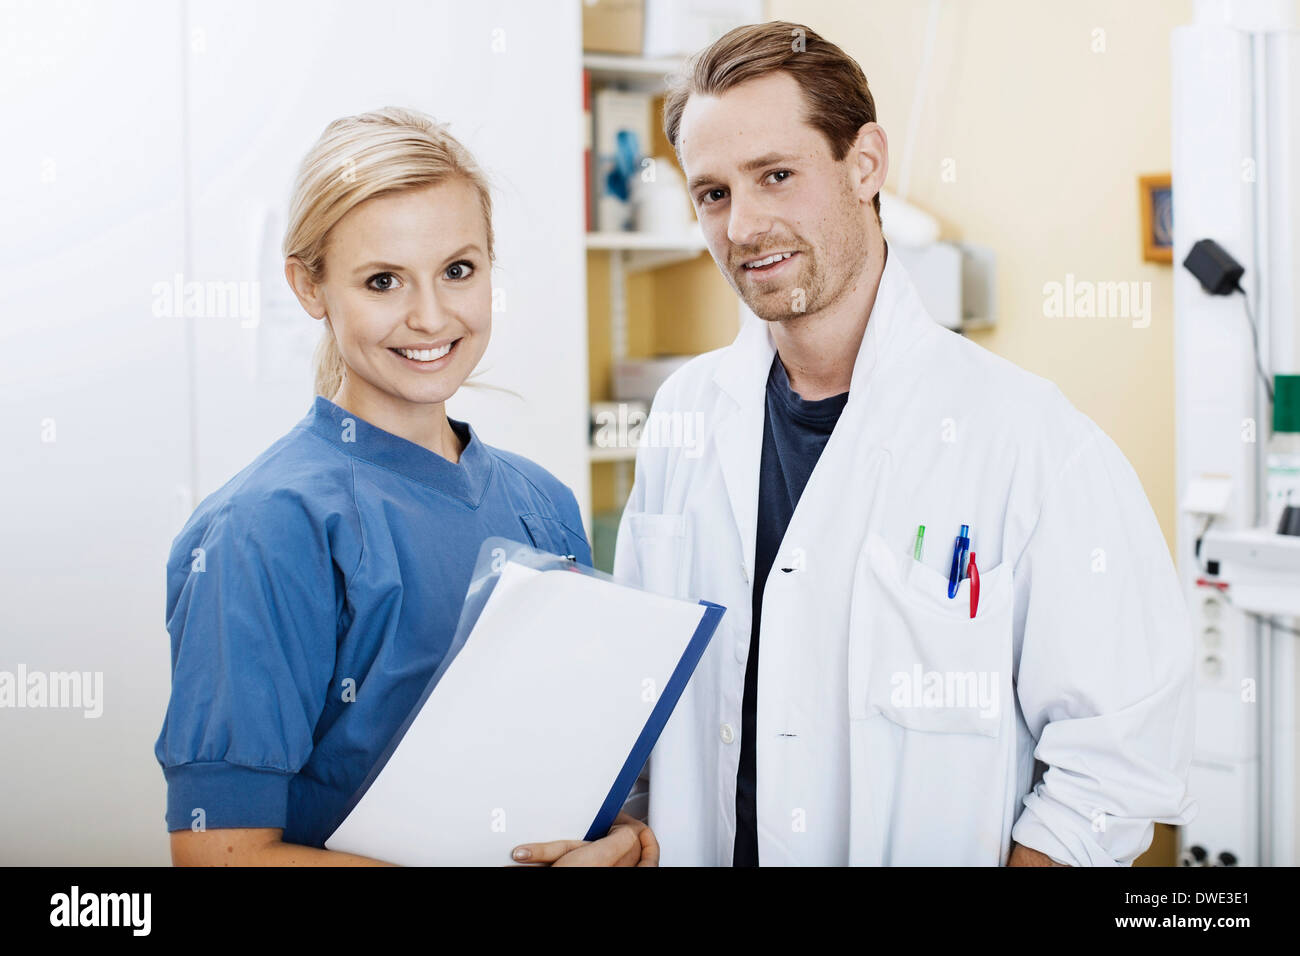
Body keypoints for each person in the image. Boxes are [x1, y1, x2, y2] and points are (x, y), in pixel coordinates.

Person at [602, 22, 1195, 866]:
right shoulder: (685, 415)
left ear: (865, 164)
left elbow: (1118, 764)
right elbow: (643, 703)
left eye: (776, 175)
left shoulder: (1032, 442)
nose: (744, 226)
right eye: (713, 194)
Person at [155, 107, 656, 866]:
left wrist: (622, 839)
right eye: (383, 281)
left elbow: (574, 771)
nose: (430, 317)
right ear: (309, 287)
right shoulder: (265, 528)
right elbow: (218, 854)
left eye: (458, 271)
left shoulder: (544, 505)